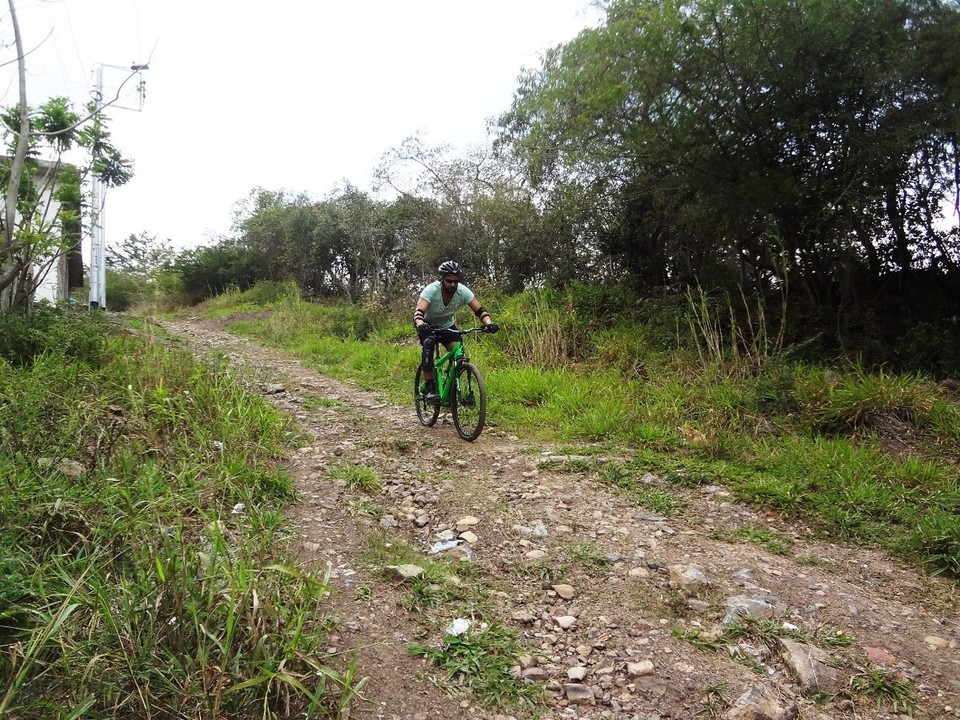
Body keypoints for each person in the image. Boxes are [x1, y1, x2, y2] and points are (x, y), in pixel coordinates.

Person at [414, 260, 499, 401]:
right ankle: (430, 387)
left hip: (447, 325)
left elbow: (480, 311)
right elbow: (419, 312)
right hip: (427, 324)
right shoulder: (431, 290)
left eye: (456, 281)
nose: (452, 285)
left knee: (458, 352)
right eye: (449, 281)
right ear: (442, 279)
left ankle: (451, 386)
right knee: (428, 345)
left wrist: (489, 323)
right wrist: (420, 324)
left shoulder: (463, 291)